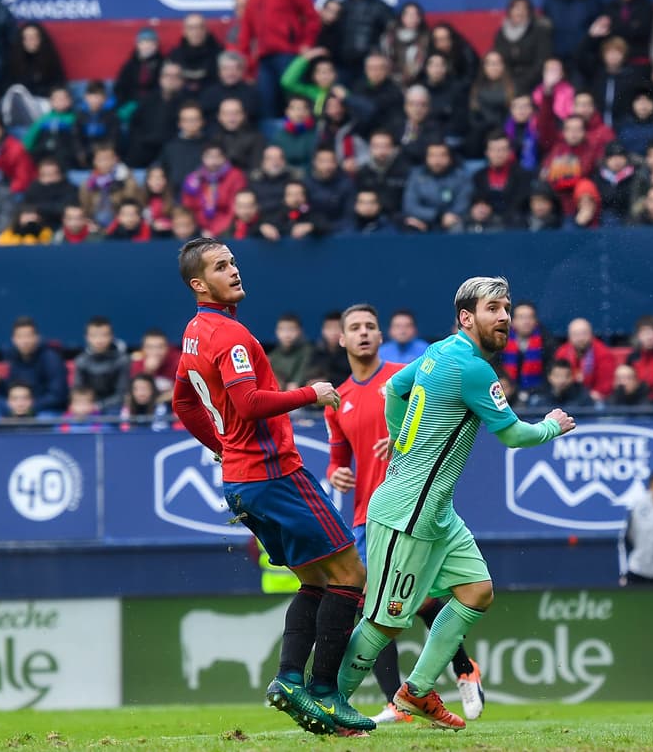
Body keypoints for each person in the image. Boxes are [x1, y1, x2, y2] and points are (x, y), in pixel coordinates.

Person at [335, 277, 576, 730]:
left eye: (506, 308)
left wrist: (400, 440)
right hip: (409, 512)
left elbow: (394, 390)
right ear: (467, 318)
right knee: (386, 621)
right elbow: (513, 435)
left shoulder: (439, 351)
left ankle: (417, 691)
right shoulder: (474, 369)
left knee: (476, 591)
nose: (503, 317)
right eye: (492, 309)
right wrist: (552, 426)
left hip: (438, 511)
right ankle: (331, 703)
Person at [171, 239, 370, 735]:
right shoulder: (230, 335)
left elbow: (184, 403)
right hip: (275, 473)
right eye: (221, 266)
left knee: (316, 582)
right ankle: (326, 693)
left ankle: (289, 680)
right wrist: (311, 393)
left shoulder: (194, 333)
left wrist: (220, 445)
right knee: (350, 575)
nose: (234, 270)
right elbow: (249, 403)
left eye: (233, 261)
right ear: (199, 284)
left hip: (241, 481)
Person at [324, 304, 485, 726]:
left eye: (370, 327)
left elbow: (437, 422)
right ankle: (411, 695)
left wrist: (399, 437)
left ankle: (453, 672)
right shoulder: (337, 399)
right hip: (368, 515)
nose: (363, 333)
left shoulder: (409, 375)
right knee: (390, 607)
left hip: (414, 508)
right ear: (341, 339)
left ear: (382, 337)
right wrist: (336, 472)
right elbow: (338, 458)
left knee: (402, 605)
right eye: (355, 327)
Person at [238, 0, 322, 120]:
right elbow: (247, 28)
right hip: (263, 57)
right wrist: (246, 60)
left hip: (288, 53)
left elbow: (312, 17)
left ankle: (299, 132)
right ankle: (272, 136)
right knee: (266, 102)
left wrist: (306, 43)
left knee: (292, 100)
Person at [0, 316, 68, 420]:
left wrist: (31, 406)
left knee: (44, 419)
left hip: (43, 410)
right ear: (13, 340)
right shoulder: (14, 357)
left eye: (28, 336)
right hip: (19, 407)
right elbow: (12, 389)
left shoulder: (51, 358)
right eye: (20, 337)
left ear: (37, 337)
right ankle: (3, 428)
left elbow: (58, 396)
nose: (25, 341)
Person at [74, 315, 131, 414]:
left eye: (104, 335)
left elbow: (122, 394)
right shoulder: (81, 361)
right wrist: (83, 405)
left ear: (112, 336)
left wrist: (98, 406)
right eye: (94, 336)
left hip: (115, 409)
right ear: (87, 337)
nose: (99, 340)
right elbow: (78, 391)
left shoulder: (122, 360)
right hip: (87, 408)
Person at [554, 317, 617, 400]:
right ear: (569, 337)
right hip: (567, 397)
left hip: (594, 400)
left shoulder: (604, 354)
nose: (580, 338)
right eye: (576, 334)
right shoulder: (562, 353)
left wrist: (585, 398)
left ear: (591, 334)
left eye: (584, 333)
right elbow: (557, 380)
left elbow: (604, 387)